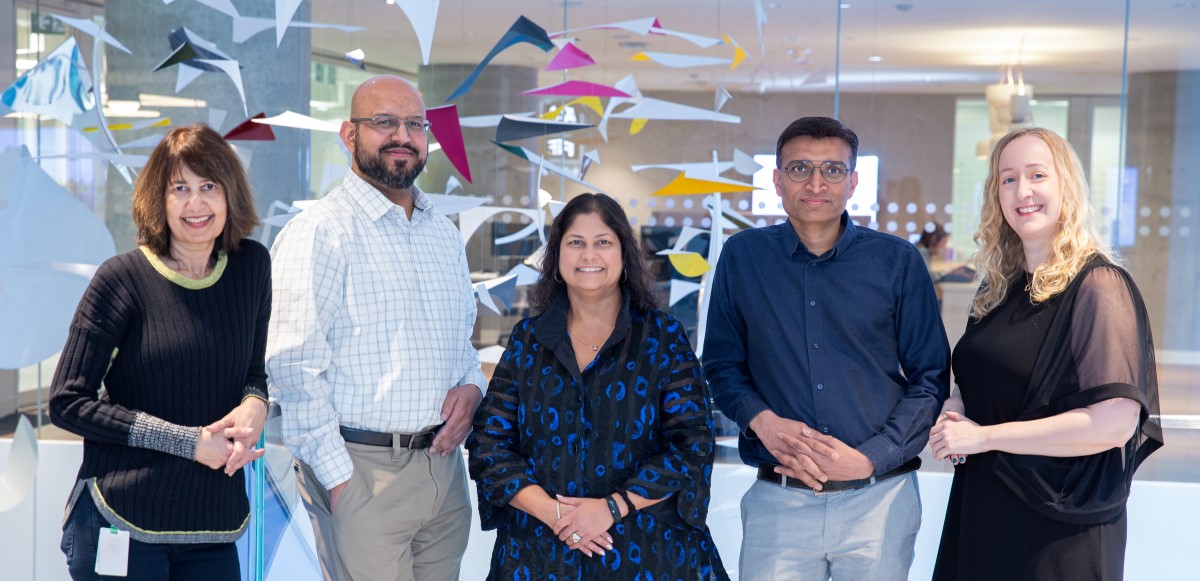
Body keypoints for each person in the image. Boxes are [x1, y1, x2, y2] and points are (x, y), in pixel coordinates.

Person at [703, 116, 950, 580]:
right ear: (777, 180)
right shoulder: (744, 257)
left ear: (853, 182)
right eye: (799, 169)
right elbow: (720, 364)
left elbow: (931, 377)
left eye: (833, 170)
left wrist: (872, 457)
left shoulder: (896, 261)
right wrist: (763, 420)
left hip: (880, 500)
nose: (816, 183)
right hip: (779, 500)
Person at [266, 75, 485, 581]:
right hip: (361, 471)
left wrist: (472, 387)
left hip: (444, 474)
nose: (401, 136)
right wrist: (339, 482)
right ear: (349, 135)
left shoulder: (442, 236)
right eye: (383, 122)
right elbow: (292, 371)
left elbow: (462, 345)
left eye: (414, 124)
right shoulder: (319, 232)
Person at [929, 127, 1163, 580]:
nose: (1023, 191)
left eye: (1038, 174)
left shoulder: (1099, 285)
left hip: (1061, 525)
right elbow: (980, 377)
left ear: (1066, 187)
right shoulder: (998, 286)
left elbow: (1114, 423)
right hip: (985, 506)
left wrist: (984, 437)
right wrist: (957, 406)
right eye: (1008, 178)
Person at [466, 193, 729, 580]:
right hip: (540, 554)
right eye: (576, 243)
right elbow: (488, 444)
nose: (589, 255)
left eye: (603, 242)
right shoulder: (528, 340)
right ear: (557, 256)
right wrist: (557, 515)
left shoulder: (662, 338)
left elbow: (693, 445)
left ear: (625, 255)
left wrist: (609, 509)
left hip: (647, 554)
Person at [49, 123, 271, 580]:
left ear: (230, 193)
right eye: (180, 188)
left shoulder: (251, 266)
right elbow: (67, 402)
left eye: (209, 186)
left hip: (213, 523)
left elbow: (253, 371)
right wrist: (188, 443)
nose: (196, 203)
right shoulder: (121, 280)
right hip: (121, 518)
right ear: (159, 199)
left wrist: (256, 404)